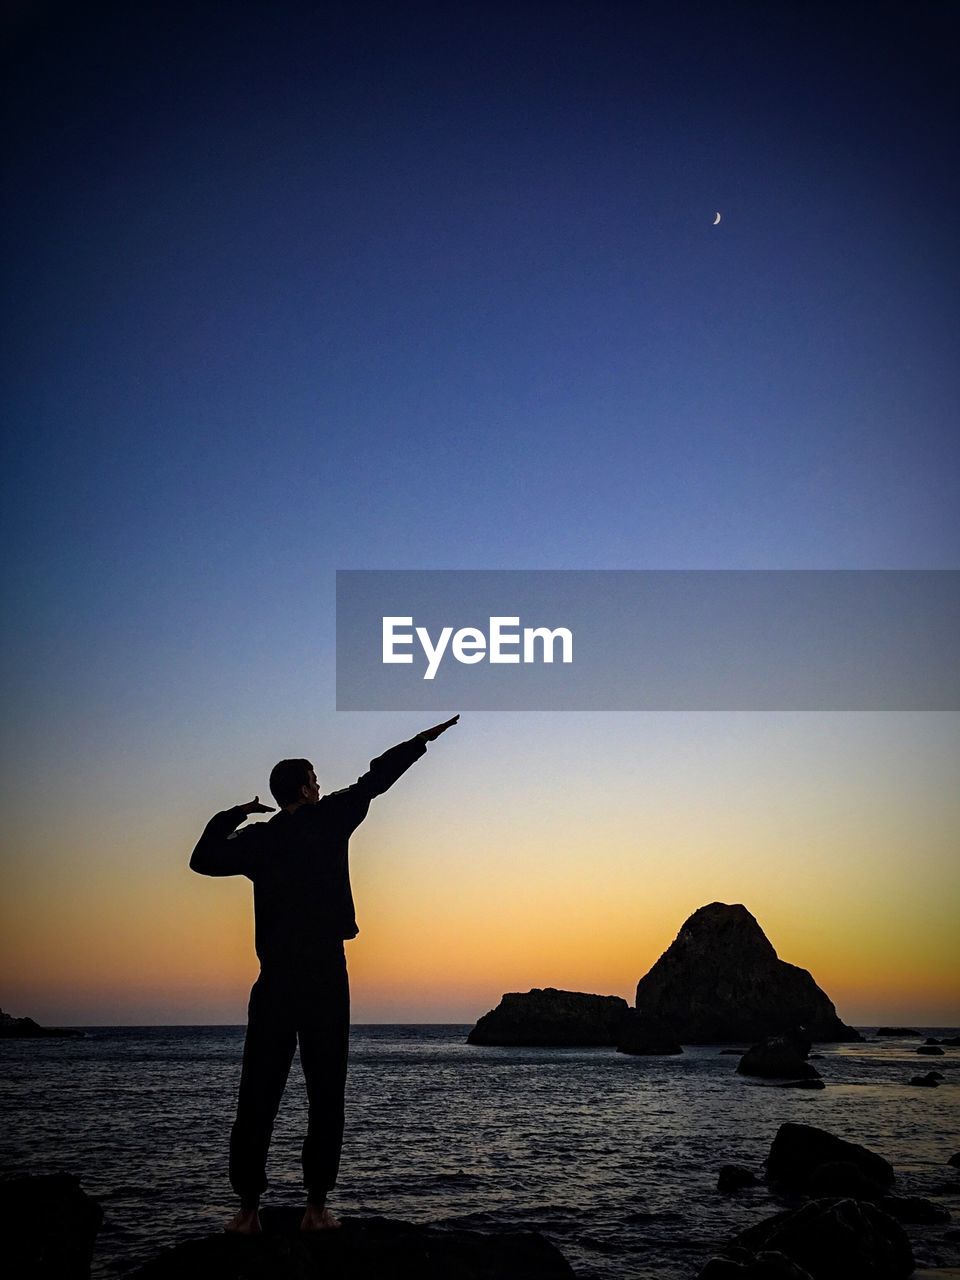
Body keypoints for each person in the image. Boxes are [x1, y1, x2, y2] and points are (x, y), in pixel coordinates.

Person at [189, 715, 459, 1234]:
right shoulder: (331, 816)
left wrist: (236, 813)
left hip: (274, 982)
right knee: (325, 1092)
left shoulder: (259, 840)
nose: (321, 784)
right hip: (324, 977)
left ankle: (248, 1211)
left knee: (258, 1093)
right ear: (306, 788)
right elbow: (376, 778)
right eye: (315, 778)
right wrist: (422, 741)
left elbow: (201, 859)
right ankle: (315, 1208)